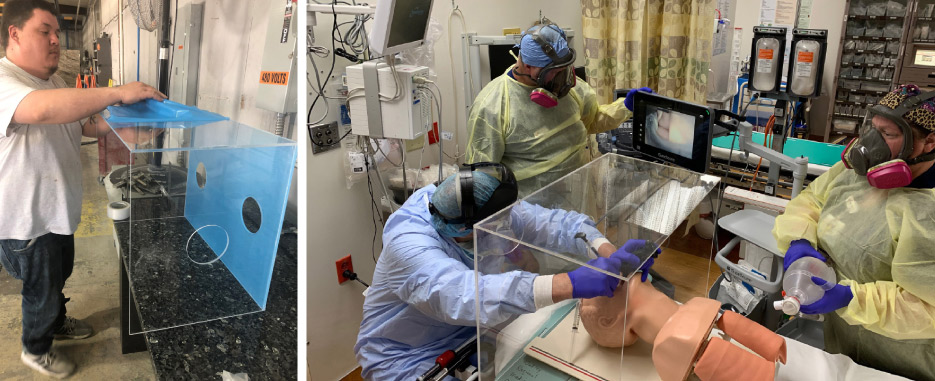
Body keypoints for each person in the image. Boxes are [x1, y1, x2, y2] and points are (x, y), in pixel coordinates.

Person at [354, 163, 658, 380]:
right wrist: (570, 283)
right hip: (404, 354)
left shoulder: (476, 204)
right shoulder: (409, 245)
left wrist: (609, 252)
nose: (511, 221)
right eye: (502, 219)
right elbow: (466, 296)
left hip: (473, 335)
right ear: (463, 229)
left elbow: (557, 225)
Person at [0, 0, 165, 378]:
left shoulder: (53, 81)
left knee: (58, 278)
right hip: (28, 221)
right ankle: (35, 349)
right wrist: (116, 92)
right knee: (39, 291)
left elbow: (80, 126)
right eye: (45, 31)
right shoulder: (6, 81)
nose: (56, 40)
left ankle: (55, 322)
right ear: (15, 33)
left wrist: (124, 131)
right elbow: (40, 111)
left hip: (57, 209)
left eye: (57, 32)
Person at [773, 84, 935, 380]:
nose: (871, 144)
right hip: (844, 337)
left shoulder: (928, 213)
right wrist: (800, 238)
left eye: (888, 134)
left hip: (904, 357)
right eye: (872, 129)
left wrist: (851, 299)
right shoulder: (856, 173)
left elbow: (929, 307)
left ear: (930, 142)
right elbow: (813, 200)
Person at [465, 20, 651, 196]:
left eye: (565, 68)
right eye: (554, 71)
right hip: (530, 212)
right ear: (528, 66)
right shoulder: (491, 105)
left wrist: (625, 107)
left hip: (580, 195)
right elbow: (484, 175)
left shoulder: (573, 89)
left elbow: (593, 120)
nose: (564, 79)